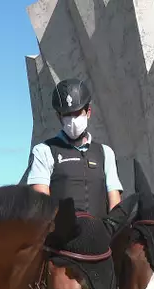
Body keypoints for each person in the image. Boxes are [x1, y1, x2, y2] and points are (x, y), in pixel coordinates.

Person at [26, 78, 123, 217]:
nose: (72, 120)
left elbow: (114, 202)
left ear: (88, 112)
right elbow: (42, 204)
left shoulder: (105, 153)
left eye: (77, 113)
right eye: (66, 115)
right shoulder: (44, 151)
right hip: (61, 236)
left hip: (99, 234)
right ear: (58, 116)